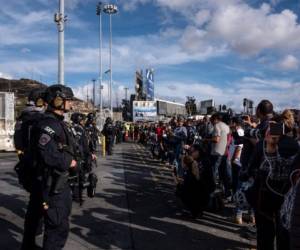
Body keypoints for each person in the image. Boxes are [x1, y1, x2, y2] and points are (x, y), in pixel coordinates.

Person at [247, 117, 299, 250]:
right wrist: (271, 149)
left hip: (266, 196)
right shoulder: (294, 144)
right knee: (282, 236)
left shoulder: (264, 144)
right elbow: (279, 171)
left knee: (265, 234)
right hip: (285, 200)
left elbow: (251, 167)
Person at [36, 84, 77, 250]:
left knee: (60, 226)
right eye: (68, 100)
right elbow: (47, 153)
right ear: (58, 101)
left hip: (60, 183)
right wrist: (69, 162)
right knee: (56, 227)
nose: (71, 103)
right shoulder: (48, 124)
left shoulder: (57, 123)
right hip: (53, 184)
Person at [15, 88, 47, 250]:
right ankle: (30, 241)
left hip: (25, 164)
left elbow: (18, 143)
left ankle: (31, 237)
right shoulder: (38, 118)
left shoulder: (22, 117)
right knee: (38, 203)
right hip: (37, 166)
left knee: (35, 201)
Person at [207, 113, 230, 196]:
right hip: (225, 153)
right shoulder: (226, 126)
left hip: (216, 153)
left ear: (216, 119)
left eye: (212, 119)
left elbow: (216, 139)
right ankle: (227, 192)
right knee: (223, 173)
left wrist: (206, 140)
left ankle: (212, 191)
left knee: (214, 172)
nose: (211, 121)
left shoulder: (217, 126)